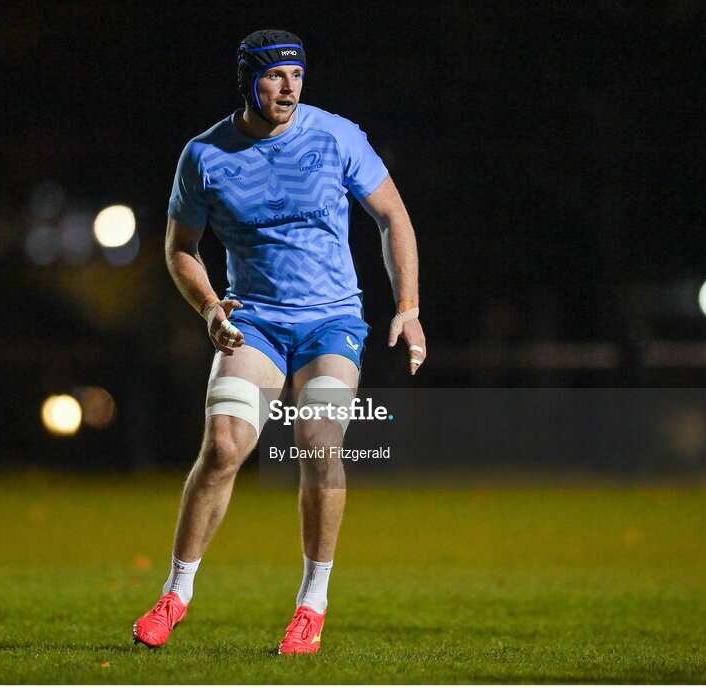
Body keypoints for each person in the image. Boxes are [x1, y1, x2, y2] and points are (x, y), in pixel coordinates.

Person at [133, 29, 425, 655]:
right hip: (255, 322)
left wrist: (409, 309)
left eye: (296, 73)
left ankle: (311, 605)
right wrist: (210, 307)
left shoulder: (337, 136)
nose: (289, 86)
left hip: (331, 323)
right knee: (223, 446)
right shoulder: (206, 156)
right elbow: (180, 249)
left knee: (319, 444)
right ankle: (175, 592)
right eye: (274, 75)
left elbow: (392, 216)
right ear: (248, 81)